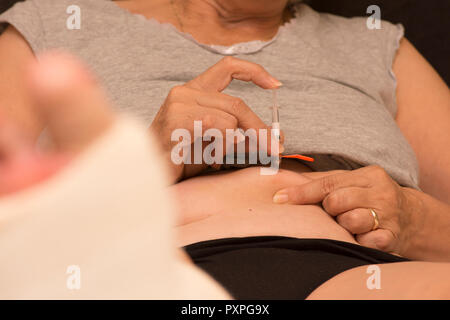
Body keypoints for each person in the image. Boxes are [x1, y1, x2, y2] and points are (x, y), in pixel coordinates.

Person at [0, 0, 449, 299]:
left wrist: (412, 218)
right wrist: (139, 168)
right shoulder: (53, 24)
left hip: (357, 275)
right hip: (145, 266)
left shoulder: (374, 44)